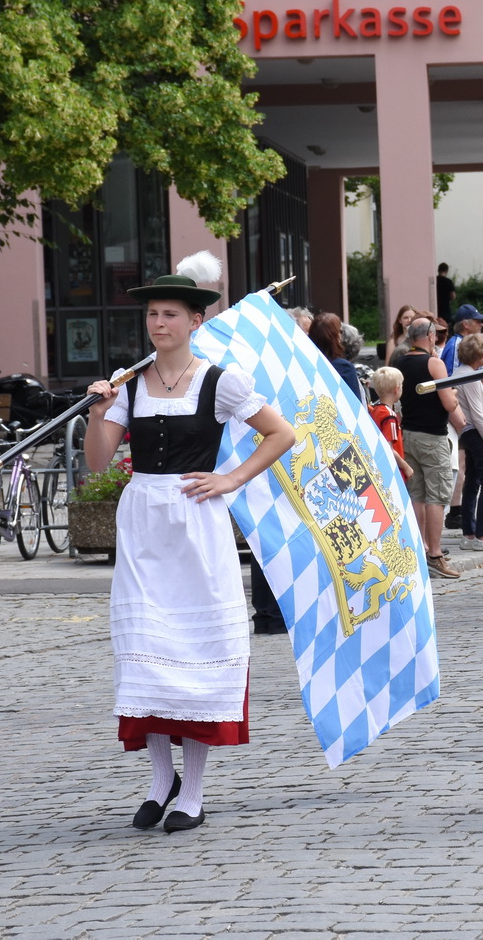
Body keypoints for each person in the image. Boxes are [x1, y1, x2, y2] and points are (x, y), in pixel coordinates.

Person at [83, 253, 295, 834]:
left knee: (196, 655)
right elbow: (99, 461)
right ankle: (159, 781)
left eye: (170, 314)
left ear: (196, 320)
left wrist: (230, 478)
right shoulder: (130, 384)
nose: (158, 324)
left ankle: (192, 792)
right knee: (146, 650)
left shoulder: (221, 381)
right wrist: (100, 411)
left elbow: (282, 433)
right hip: (144, 520)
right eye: (152, 314)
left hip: (196, 523)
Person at [394, 318, 465, 580]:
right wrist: (454, 391)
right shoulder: (434, 363)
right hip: (432, 436)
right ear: (431, 335)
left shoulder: (400, 361)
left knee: (417, 494)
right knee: (437, 496)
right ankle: (435, 554)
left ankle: (419, 549)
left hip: (408, 433)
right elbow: (449, 403)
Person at [450, 334, 483, 554]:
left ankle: (469, 534)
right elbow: (480, 415)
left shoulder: (460, 374)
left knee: (472, 482)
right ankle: (482, 535)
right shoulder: (471, 378)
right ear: (478, 354)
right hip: (476, 432)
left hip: (466, 432)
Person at [365, 367, 414, 483]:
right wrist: (405, 466)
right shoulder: (389, 416)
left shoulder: (374, 410)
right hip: (392, 472)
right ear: (397, 389)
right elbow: (388, 448)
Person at [309, 313, 363, 400]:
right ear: (335, 337)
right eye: (340, 332)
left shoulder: (305, 363)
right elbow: (355, 405)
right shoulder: (344, 368)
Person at [441, 304, 483, 372]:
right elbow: (452, 378)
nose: (481, 324)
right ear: (465, 324)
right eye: (477, 321)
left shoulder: (462, 342)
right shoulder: (456, 345)